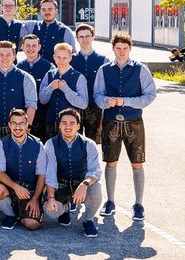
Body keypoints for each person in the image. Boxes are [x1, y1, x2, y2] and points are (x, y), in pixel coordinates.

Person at [94, 32, 156, 221]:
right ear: (113, 49)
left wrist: (126, 101)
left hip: (134, 122)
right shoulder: (104, 69)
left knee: (137, 163)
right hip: (111, 121)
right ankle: (110, 201)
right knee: (110, 161)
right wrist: (106, 101)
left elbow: (150, 95)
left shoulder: (140, 69)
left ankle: (138, 204)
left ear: (130, 49)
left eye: (125, 48)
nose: (121, 51)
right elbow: (97, 96)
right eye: (118, 48)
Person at [43, 108, 103, 237]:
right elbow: (50, 173)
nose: (68, 126)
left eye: (72, 123)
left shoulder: (89, 144)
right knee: (51, 212)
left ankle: (88, 220)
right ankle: (64, 209)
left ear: (78, 126)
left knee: (96, 188)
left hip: (81, 183)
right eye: (64, 123)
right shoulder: (50, 144)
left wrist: (84, 184)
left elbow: (96, 170)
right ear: (59, 125)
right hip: (61, 185)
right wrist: (51, 197)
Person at [0, 109, 47, 231]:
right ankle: (10, 214)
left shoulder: (38, 145)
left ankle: (22, 213)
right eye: (14, 123)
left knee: (32, 224)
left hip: (29, 191)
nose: (17, 127)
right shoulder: (1, 143)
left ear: (27, 125)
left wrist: (35, 199)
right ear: (9, 125)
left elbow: (42, 176)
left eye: (21, 123)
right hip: (10, 188)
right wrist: (16, 187)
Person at [0, 41, 37, 146]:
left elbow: (31, 105)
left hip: (18, 130)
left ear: (14, 56)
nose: (4, 58)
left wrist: (27, 128)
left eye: (8, 55)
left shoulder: (26, 78)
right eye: (1, 54)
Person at [39, 43, 89, 139]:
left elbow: (83, 104)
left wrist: (66, 89)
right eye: (58, 57)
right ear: (54, 57)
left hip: (70, 127)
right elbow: (42, 100)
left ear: (70, 58)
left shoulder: (79, 77)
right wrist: (50, 88)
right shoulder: (49, 75)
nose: (61, 60)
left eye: (64, 58)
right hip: (51, 123)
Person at [70, 24, 109, 143]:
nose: (84, 39)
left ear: (93, 37)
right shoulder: (71, 59)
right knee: (74, 140)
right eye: (81, 36)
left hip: (95, 106)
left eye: (87, 36)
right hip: (75, 106)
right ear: (76, 39)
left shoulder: (103, 60)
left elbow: (107, 86)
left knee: (93, 141)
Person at [17, 35, 55, 140]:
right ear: (22, 47)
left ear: (39, 47)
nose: (31, 48)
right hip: (23, 118)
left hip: (43, 118)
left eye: (34, 45)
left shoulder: (49, 67)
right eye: (27, 45)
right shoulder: (18, 67)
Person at [30, 0, 77, 64]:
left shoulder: (65, 30)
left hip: (56, 72)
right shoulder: (34, 27)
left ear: (56, 11)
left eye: (50, 9)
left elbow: (72, 54)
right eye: (43, 9)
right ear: (40, 11)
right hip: (35, 70)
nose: (46, 12)